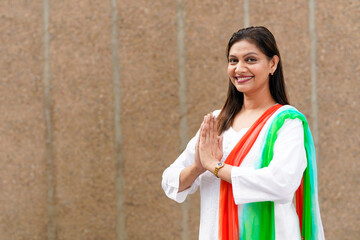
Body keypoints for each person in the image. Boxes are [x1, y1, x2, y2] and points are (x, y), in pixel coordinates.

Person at [161, 26, 325, 240]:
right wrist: (198, 167)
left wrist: (216, 167)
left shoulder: (286, 122)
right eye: (233, 60)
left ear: (272, 64)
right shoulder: (218, 122)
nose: (239, 68)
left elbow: (281, 183)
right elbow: (170, 180)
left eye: (250, 60)